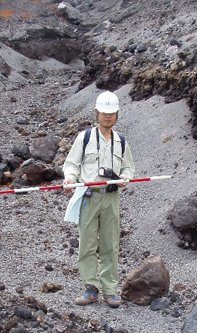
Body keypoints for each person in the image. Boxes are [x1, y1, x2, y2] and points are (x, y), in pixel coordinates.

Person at [62, 91, 135, 308]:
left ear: (117, 114)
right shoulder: (84, 138)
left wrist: (125, 177)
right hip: (89, 197)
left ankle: (110, 290)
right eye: (104, 113)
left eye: (112, 113)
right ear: (96, 113)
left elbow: (128, 167)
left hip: (111, 198)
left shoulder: (121, 141)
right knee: (87, 244)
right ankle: (90, 288)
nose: (108, 116)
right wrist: (69, 178)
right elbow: (72, 164)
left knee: (110, 245)